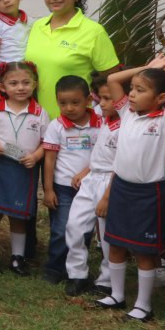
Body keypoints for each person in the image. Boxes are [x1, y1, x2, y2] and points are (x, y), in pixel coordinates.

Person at [94, 56, 165, 320]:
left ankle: (143, 305)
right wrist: (149, 68)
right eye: (131, 88)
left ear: (160, 98)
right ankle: (117, 295)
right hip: (121, 188)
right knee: (117, 244)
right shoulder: (127, 114)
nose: (131, 94)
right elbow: (112, 79)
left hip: (148, 193)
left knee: (144, 253)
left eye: (140, 90)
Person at [23, 0, 120, 119]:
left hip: (74, 125)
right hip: (34, 121)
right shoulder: (37, 26)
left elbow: (114, 79)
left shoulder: (94, 31)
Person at [0, 62, 47, 275]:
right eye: (14, 83)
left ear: (34, 85)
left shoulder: (39, 112)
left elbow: (47, 141)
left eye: (26, 83)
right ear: (2, 87)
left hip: (24, 169)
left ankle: (18, 257)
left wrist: (35, 156)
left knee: (19, 215)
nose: (20, 87)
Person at [42, 75, 102, 284]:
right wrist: (48, 189)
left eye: (75, 102)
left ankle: (76, 269)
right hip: (63, 187)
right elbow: (49, 160)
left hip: (91, 186)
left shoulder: (100, 124)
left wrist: (87, 171)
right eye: (63, 103)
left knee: (83, 230)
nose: (69, 108)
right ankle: (55, 267)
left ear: (88, 100)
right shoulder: (55, 126)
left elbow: (103, 155)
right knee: (61, 229)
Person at [64, 80, 121, 296]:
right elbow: (100, 154)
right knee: (75, 225)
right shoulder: (105, 119)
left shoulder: (126, 125)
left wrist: (107, 196)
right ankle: (77, 274)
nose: (102, 103)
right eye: (101, 98)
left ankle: (107, 280)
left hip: (110, 181)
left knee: (107, 234)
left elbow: (120, 163)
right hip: (92, 178)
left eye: (109, 99)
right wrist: (85, 172)